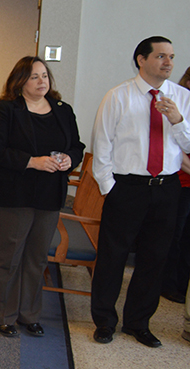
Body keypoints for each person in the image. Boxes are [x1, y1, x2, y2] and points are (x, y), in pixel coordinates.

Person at [91, 36, 190, 348]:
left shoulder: (182, 97)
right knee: (112, 256)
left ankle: (138, 322)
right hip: (127, 187)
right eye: (161, 56)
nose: (169, 63)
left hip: (167, 188)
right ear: (141, 60)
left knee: (154, 258)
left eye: (172, 57)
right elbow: (102, 146)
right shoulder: (118, 96)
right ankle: (105, 321)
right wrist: (110, 189)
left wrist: (177, 121)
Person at [0, 56, 84, 338]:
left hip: (50, 194)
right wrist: (32, 161)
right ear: (20, 82)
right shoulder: (6, 109)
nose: (42, 82)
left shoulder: (63, 110)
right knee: (10, 257)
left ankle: (30, 315)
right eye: (34, 77)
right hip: (16, 193)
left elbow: (76, 145)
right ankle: (4, 315)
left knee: (37, 259)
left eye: (44, 76)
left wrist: (69, 160)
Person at [162, 66, 190, 305]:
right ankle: (168, 284)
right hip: (181, 182)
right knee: (175, 236)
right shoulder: (179, 103)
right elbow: (178, 148)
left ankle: (182, 284)